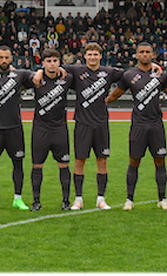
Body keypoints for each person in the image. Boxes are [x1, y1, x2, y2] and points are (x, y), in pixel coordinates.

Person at [34, 42, 125, 211]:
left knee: (102, 161)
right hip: (82, 123)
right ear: (84, 56)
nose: (92, 57)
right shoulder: (75, 71)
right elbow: (52, 67)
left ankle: (101, 198)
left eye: (95, 54)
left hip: (101, 124)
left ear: (100, 56)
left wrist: (112, 97)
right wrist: (40, 71)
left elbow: (129, 77)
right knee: (79, 161)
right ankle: (78, 199)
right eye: (89, 54)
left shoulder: (109, 72)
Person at [105, 42, 167, 211]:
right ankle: (129, 199)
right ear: (137, 55)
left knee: (160, 161)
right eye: (142, 52)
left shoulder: (160, 75)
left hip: (156, 125)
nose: (145, 54)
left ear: (153, 54)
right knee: (134, 161)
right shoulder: (129, 75)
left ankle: (162, 199)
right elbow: (114, 96)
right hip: (138, 125)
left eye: (148, 52)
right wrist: (101, 101)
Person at [0, 46, 35, 211]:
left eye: (6, 57)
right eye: (1, 57)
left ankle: (18, 198)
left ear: (12, 58)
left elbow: (38, 76)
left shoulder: (21, 75)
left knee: (18, 164)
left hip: (15, 128)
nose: (3, 60)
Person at [29, 49, 73, 211]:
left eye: (55, 60)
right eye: (48, 61)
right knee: (37, 165)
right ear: (43, 63)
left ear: (59, 62)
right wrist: (39, 72)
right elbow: (20, 74)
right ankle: (36, 201)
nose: (52, 64)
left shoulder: (67, 78)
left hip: (60, 128)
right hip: (41, 128)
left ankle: (66, 201)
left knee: (63, 164)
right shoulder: (35, 79)